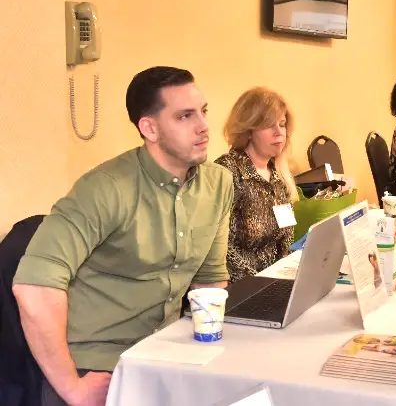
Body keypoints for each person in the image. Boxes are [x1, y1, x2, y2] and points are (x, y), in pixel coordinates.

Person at [12, 66, 233, 406]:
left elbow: (209, 281)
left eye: (203, 112)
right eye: (185, 116)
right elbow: (34, 287)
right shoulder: (104, 189)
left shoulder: (218, 183)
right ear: (150, 128)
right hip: (93, 369)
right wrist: (73, 388)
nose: (204, 127)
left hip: (163, 355)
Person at [215, 87, 298, 282]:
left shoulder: (278, 174)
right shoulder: (227, 172)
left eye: (282, 124)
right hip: (241, 288)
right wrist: (259, 284)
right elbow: (220, 250)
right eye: (269, 125)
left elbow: (285, 239)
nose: (279, 133)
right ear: (249, 130)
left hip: (277, 281)